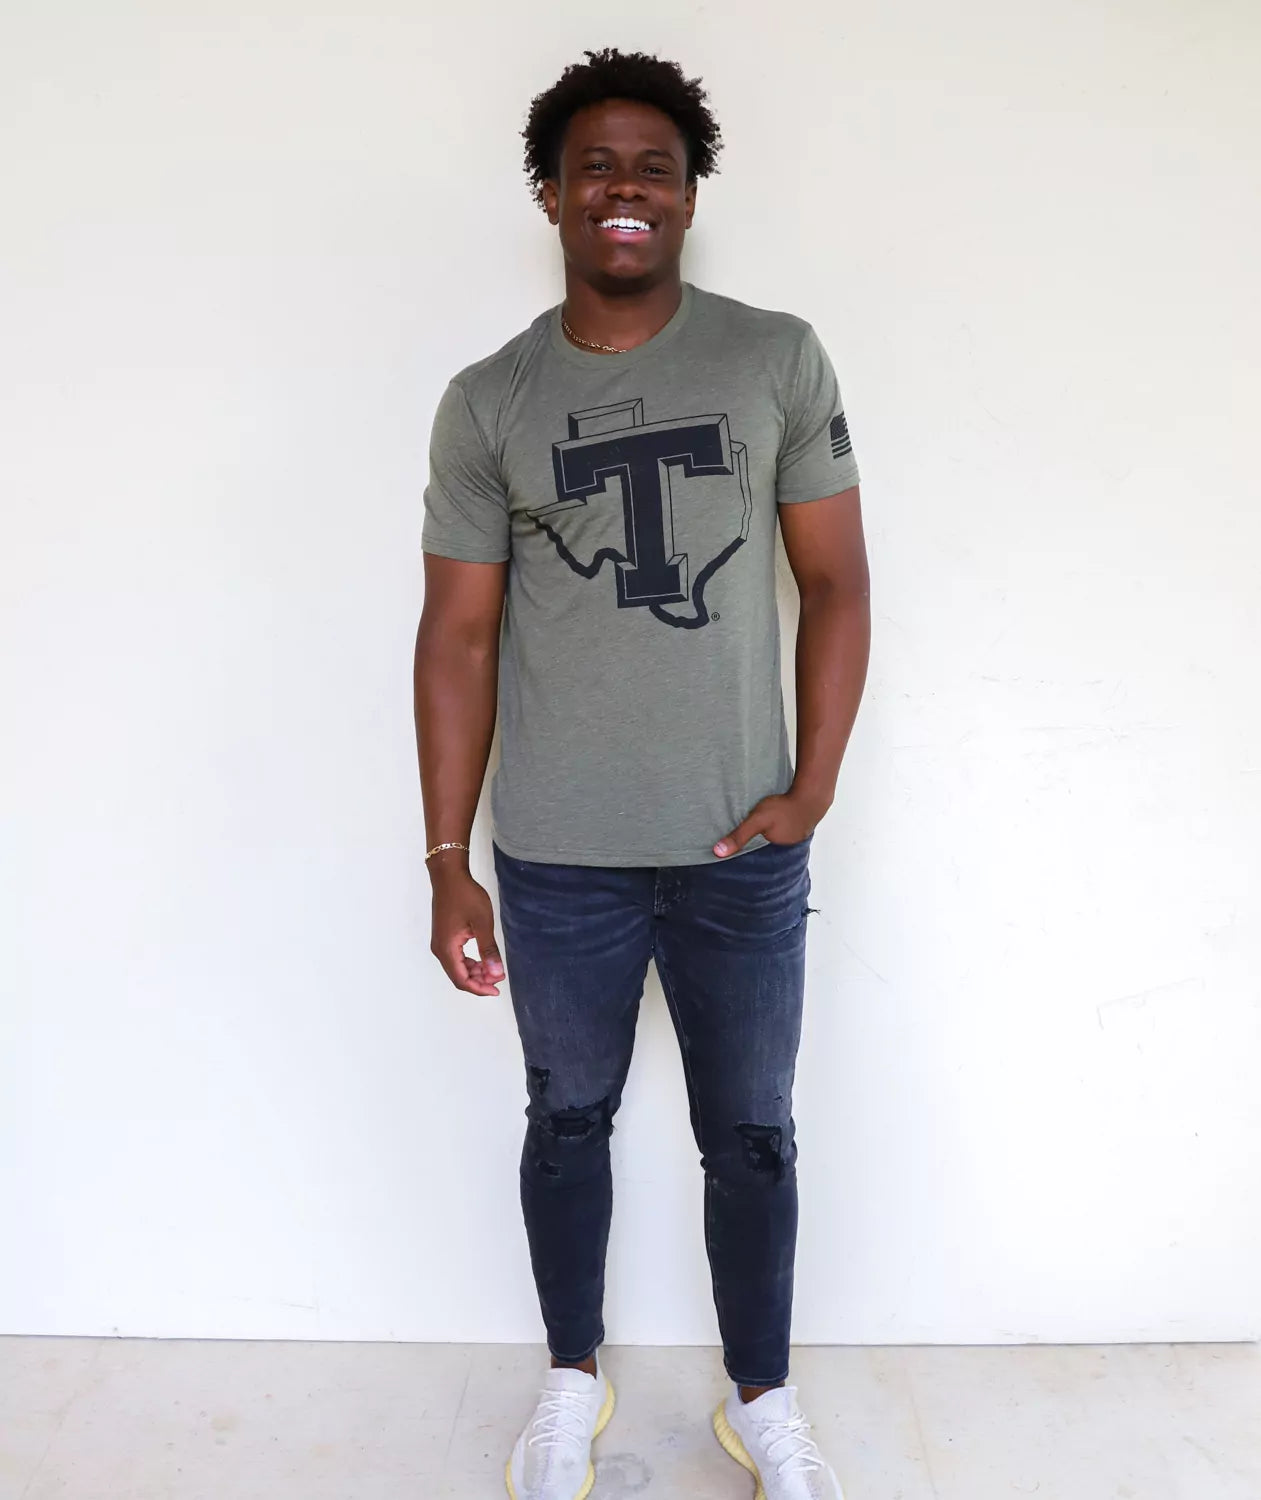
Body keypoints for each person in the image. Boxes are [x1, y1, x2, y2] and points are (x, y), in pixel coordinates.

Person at [414, 46, 870, 1500]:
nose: (627, 189)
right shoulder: (490, 398)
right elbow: (460, 635)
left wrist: (812, 788)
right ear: (552, 194)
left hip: (740, 845)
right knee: (566, 1120)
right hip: (555, 850)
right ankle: (569, 1388)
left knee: (751, 1134)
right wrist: (444, 858)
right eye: (598, 166)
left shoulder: (773, 357)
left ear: (687, 197)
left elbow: (838, 586)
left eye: (654, 168)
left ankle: (763, 1402)